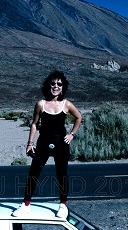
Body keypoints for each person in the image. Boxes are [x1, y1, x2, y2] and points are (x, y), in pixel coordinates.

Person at [12, 70, 82, 218]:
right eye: (53, 83)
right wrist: (30, 143)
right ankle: (25, 205)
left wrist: (72, 134)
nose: (56, 86)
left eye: (59, 84)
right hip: (43, 142)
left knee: (61, 174)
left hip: (61, 144)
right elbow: (34, 124)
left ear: (63, 87)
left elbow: (78, 118)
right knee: (33, 174)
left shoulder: (66, 104)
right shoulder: (41, 104)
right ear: (48, 85)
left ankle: (63, 205)